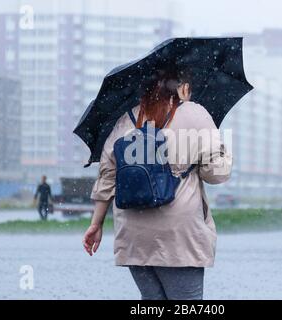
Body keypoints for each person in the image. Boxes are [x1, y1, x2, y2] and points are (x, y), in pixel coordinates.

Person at [83, 70, 232, 300]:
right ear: (182, 89)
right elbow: (217, 174)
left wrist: (96, 223)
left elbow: (107, 177)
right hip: (179, 236)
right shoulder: (194, 113)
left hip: (134, 235)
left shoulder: (126, 120)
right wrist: (219, 156)